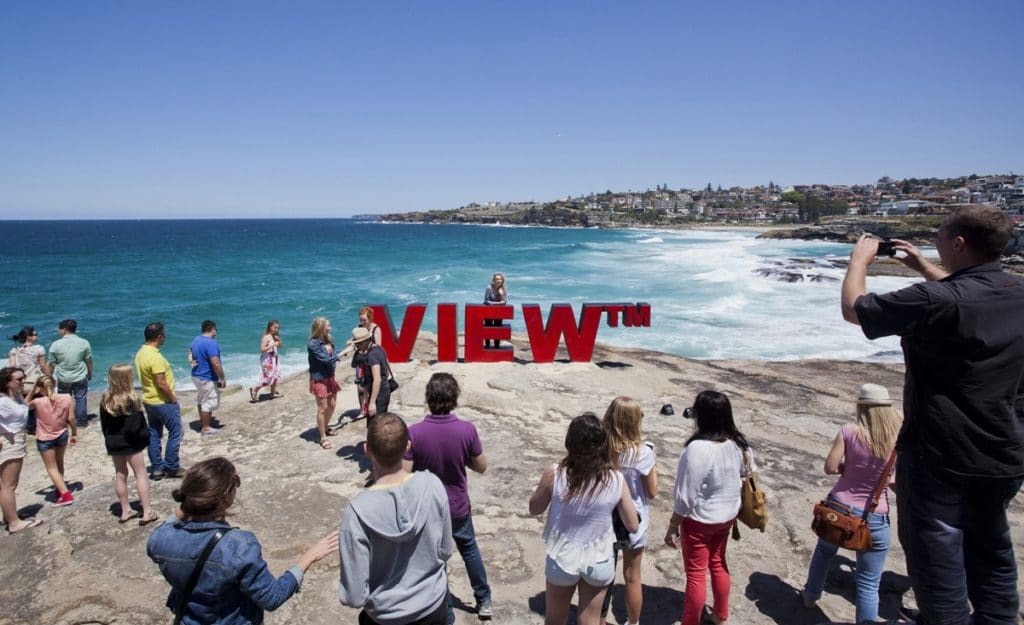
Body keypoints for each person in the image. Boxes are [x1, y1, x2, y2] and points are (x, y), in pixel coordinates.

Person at [841, 205, 1024, 625]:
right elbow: (968, 296)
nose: (936, 241)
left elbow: (856, 308)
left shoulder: (936, 299)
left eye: (940, 235)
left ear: (958, 243)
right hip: (1005, 452)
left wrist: (859, 261)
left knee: (938, 568)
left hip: (940, 454)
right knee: (994, 554)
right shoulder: (1014, 292)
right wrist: (923, 264)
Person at [148, 457, 339, 624]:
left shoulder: (160, 539)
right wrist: (309, 557)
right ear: (226, 497)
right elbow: (272, 598)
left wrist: (189, 503)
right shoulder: (239, 546)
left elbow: (170, 523)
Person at [338, 412, 454, 625]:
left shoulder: (356, 512)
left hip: (386, 616)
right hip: (434, 607)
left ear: (366, 450)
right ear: (408, 447)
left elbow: (354, 595)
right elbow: (446, 550)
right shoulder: (432, 484)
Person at [801, 383, 902, 623]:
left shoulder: (849, 431)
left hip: (840, 510)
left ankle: (810, 596)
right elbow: (896, 483)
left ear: (860, 406)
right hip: (875, 518)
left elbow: (830, 467)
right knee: (868, 582)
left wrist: (849, 468)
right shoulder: (896, 441)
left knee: (824, 552)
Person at [529, 412, 639, 625]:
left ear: (570, 442)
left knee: (554, 619)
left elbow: (534, 508)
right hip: (599, 557)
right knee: (589, 620)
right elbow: (632, 525)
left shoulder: (555, 473)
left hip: (562, 555)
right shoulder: (616, 479)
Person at [403, 372, 493, 621]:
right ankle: (483, 600)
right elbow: (481, 466)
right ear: (455, 398)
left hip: (428, 507)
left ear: (428, 398)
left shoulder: (415, 432)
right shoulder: (466, 430)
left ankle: (443, 608)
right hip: (457, 506)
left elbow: (405, 472)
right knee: (469, 550)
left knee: (434, 559)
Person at [664, 390, 754, 625]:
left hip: (700, 520)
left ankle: (690, 621)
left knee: (695, 575)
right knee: (717, 562)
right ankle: (720, 614)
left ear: (700, 416)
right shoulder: (739, 445)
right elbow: (747, 475)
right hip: (726, 517)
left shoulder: (697, 449)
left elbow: (686, 495)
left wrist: (673, 525)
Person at [600, 397, 658, 625]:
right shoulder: (643, 452)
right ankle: (632, 623)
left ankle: (600, 619)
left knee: (603, 577)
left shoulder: (602, 448)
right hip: (634, 519)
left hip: (605, 518)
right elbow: (652, 491)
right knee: (633, 577)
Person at [100, 364, 157, 524]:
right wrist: (145, 438)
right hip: (131, 443)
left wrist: (109, 439)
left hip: (114, 441)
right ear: (127, 378)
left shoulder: (106, 399)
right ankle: (147, 511)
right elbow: (136, 425)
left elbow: (104, 424)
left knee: (120, 474)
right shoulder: (131, 398)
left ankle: (125, 511)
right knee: (140, 474)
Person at [135, 322, 185, 481]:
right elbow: (161, 382)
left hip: (149, 400)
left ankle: (157, 467)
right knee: (176, 432)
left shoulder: (140, 353)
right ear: (159, 336)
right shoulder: (154, 357)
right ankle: (171, 466)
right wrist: (172, 399)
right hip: (162, 401)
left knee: (154, 433)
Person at [0, 367, 43, 533]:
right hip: (9, 441)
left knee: (6, 484)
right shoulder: (2, 401)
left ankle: (8, 515)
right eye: (19, 379)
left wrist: (32, 390)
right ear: (7, 382)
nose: (23, 381)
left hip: (17, 439)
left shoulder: (15, 396)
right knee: (8, 485)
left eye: (23, 377)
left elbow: (24, 408)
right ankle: (14, 522)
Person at [28, 375, 77, 506]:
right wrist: (74, 433)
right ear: (54, 384)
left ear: (40, 388)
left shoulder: (38, 402)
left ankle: (65, 494)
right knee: (59, 463)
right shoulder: (66, 397)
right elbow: (71, 418)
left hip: (45, 438)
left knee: (51, 467)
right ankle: (59, 489)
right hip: (62, 434)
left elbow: (24, 405)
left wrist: (32, 390)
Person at [47, 319, 93, 428]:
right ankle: (81, 422)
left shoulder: (56, 345)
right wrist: (90, 373)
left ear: (63, 330)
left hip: (63, 377)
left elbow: (51, 364)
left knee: (63, 400)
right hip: (80, 375)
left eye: (59, 329)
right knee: (81, 398)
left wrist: (49, 377)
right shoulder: (84, 342)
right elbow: (89, 360)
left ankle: (65, 421)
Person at [340, 307, 383, 417]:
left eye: (364, 320)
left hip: (371, 361)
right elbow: (353, 342)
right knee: (360, 387)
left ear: (370, 318)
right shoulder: (359, 329)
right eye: (361, 320)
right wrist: (347, 347)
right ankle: (363, 409)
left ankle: (371, 406)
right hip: (361, 361)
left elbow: (378, 346)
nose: (362, 322)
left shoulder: (375, 329)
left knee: (370, 384)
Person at [349, 326, 393, 428]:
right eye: (356, 344)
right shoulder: (379, 348)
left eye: (359, 343)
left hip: (379, 393)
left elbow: (377, 379)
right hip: (384, 390)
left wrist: (372, 402)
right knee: (381, 423)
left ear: (366, 341)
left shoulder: (372, 355)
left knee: (374, 426)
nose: (358, 346)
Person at [188, 320, 226, 436]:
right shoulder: (211, 343)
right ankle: (206, 427)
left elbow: (190, 352)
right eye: (216, 330)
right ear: (212, 329)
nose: (216, 333)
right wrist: (222, 378)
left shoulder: (196, 339)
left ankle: (203, 422)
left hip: (196, 375)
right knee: (210, 401)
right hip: (206, 377)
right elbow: (215, 363)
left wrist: (191, 361)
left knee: (202, 398)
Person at [307, 317, 339, 450]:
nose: (330, 328)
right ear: (320, 327)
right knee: (322, 407)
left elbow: (332, 359)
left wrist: (334, 375)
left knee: (332, 405)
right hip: (319, 378)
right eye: (328, 325)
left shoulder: (328, 339)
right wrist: (343, 353)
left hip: (330, 377)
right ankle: (322, 437)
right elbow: (326, 359)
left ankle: (325, 427)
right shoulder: (312, 344)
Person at [250, 320, 282, 402]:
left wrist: (279, 340)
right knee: (268, 377)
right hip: (267, 360)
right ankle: (255, 389)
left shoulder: (275, 336)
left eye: (278, 328)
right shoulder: (266, 337)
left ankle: (272, 394)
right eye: (275, 328)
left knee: (275, 375)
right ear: (270, 327)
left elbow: (280, 345)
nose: (277, 329)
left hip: (275, 358)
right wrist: (272, 344)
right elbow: (262, 349)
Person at [483, 273, 507, 348]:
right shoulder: (489, 288)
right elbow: (486, 301)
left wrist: (501, 294)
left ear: (502, 280)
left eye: (500, 279)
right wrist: (498, 303)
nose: (499, 281)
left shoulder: (503, 288)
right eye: (497, 279)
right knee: (488, 328)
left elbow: (504, 302)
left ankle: (497, 346)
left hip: (498, 311)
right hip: (488, 310)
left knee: (497, 328)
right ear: (494, 280)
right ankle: (487, 346)